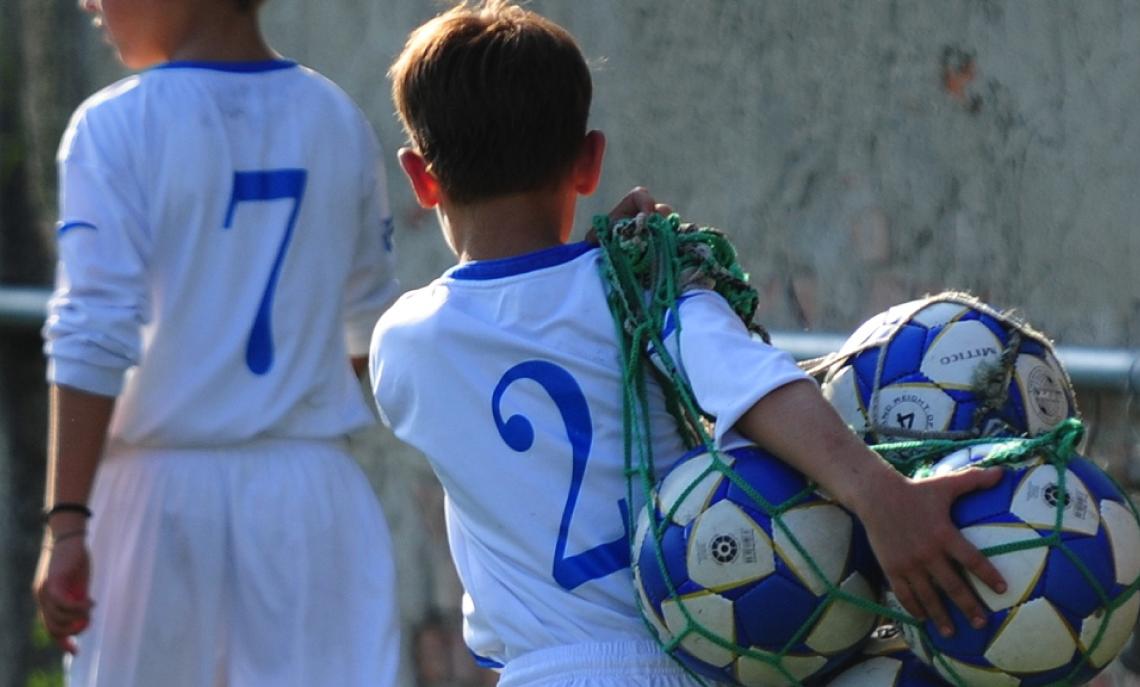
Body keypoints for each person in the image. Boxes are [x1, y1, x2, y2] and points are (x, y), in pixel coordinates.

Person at [370, 1, 1008, 685]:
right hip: (698, 656)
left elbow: (522, 322)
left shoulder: (404, 346)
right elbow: (753, 383)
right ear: (589, 162)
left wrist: (600, 265)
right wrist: (879, 495)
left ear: (419, 177)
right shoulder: (644, 291)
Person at [33, 0, 402, 685]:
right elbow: (367, 324)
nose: (88, 2)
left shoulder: (115, 125)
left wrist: (68, 523)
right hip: (311, 497)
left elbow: (91, 331)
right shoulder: (337, 119)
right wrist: (273, 408)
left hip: (160, 499)